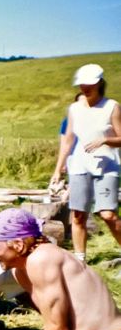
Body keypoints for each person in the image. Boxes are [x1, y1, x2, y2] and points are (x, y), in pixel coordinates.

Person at [50, 64, 121, 262]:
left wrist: (105, 140)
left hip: (107, 165)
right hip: (80, 165)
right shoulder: (74, 109)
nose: (85, 88)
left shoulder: (111, 107)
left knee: (107, 214)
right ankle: (80, 261)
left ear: (99, 83)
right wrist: (58, 170)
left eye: (89, 84)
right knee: (79, 215)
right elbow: (68, 140)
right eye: (82, 84)